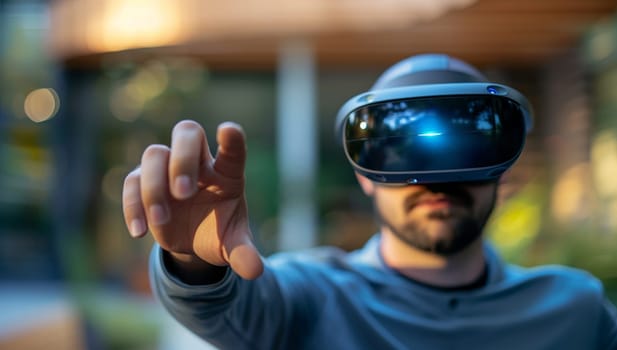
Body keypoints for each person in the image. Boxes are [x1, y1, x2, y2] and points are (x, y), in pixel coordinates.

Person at [122, 54, 617, 350]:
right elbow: (226, 310)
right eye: (400, 154)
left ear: (502, 166)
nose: (436, 182)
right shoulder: (312, 296)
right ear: (365, 175)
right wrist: (192, 263)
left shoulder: (576, 310)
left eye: (465, 148)